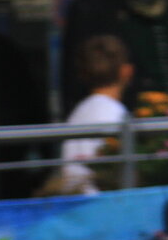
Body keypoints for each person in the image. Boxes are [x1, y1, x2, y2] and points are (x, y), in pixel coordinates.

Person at [46, 35, 133, 196]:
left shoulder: (77, 114)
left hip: (75, 203)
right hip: (103, 204)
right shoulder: (119, 116)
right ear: (126, 71)